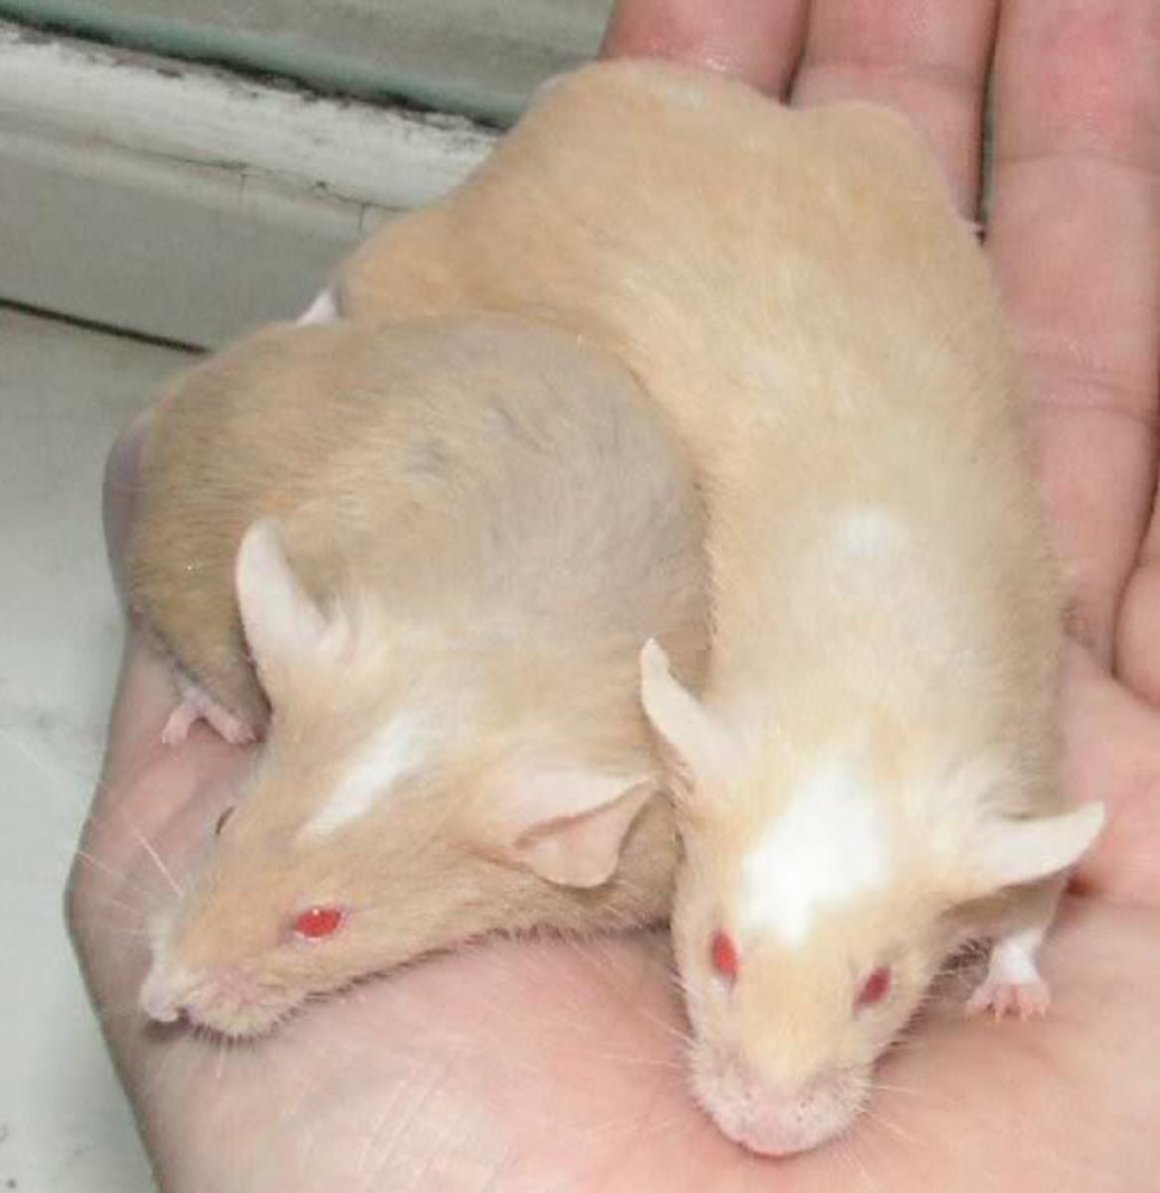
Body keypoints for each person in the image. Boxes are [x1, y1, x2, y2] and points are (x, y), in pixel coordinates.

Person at [70, 1, 1159, 1188]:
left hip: (761, 255)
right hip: (674, 236)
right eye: (725, 957)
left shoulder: (796, 737)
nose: (762, 1109)